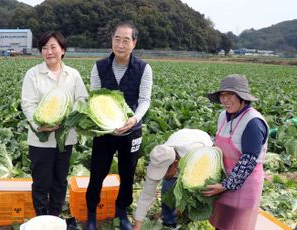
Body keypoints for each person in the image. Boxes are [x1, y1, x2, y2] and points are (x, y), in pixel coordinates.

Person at [85, 21, 153, 230]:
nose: (120, 44)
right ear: (112, 40)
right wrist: (106, 125)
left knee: (128, 173)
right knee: (97, 173)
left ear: (134, 43)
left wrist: (133, 119)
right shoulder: (99, 67)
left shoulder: (144, 68)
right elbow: (94, 99)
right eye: (117, 39)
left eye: (126, 40)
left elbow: (144, 100)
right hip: (105, 131)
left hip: (131, 131)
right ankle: (91, 216)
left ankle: (122, 212)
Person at [21, 31, 88, 216]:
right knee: (42, 182)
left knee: (60, 181)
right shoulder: (32, 74)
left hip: (65, 138)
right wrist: (39, 125)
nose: (49, 52)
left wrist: (67, 116)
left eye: (53, 47)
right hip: (40, 139)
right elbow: (28, 104)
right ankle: (42, 218)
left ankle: (55, 217)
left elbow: (82, 99)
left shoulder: (73, 74)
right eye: (44, 48)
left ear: (62, 50)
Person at [202, 74, 268, 230]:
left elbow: (249, 160)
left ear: (242, 97)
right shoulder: (223, 116)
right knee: (222, 224)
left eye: (230, 94)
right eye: (222, 95)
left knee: (237, 226)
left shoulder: (253, 122)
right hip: (223, 181)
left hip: (244, 185)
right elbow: (217, 146)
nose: (225, 100)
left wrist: (226, 185)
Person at [133, 129, 213, 230]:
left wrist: (183, 202)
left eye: (163, 172)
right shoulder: (161, 157)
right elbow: (146, 195)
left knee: (199, 193)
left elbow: (204, 179)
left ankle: (188, 217)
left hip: (202, 146)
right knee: (167, 190)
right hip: (180, 146)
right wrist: (137, 225)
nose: (161, 176)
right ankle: (169, 221)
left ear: (175, 164)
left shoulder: (195, 154)